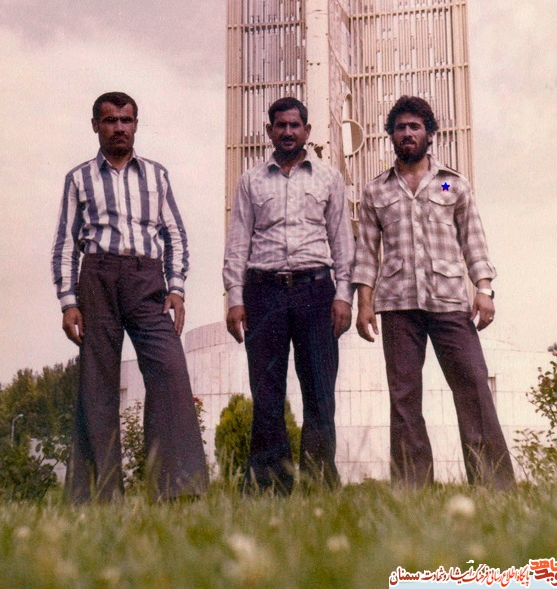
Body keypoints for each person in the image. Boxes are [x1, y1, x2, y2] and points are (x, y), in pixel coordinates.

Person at [52, 91, 208, 502]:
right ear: (96, 126)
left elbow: (175, 235)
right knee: (97, 383)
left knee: (170, 371)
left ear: (136, 124)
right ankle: (97, 497)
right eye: (110, 120)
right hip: (97, 278)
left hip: (146, 279)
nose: (119, 128)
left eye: (126, 120)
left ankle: (177, 491)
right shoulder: (79, 178)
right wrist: (69, 302)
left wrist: (176, 288)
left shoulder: (156, 175)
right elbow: (66, 243)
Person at [353, 95, 515, 489]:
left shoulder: (450, 182)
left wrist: (484, 289)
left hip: (449, 302)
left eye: (415, 127)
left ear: (430, 135)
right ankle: (413, 490)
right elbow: (366, 253)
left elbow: (473, 239)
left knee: (473, 386)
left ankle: (493, 487)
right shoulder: (376, 191)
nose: (407, 133)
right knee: (404, 397)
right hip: (397, 304)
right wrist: (364, 303)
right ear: (391, 135)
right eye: (400, 128)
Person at [223, 97, 355, 492]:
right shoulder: (250, 181)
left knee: (319, 392)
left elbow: (342, 242)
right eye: (280, 125)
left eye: (295, 125)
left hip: (316, 292)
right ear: (269, 131)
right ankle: (268, 487)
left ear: (307, 131)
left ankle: (319, 486)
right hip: (263, 293)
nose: (287, 132)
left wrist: (343, 295)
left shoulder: (329, 178)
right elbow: (237, 243)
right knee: (266, 394)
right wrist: (234, 298)